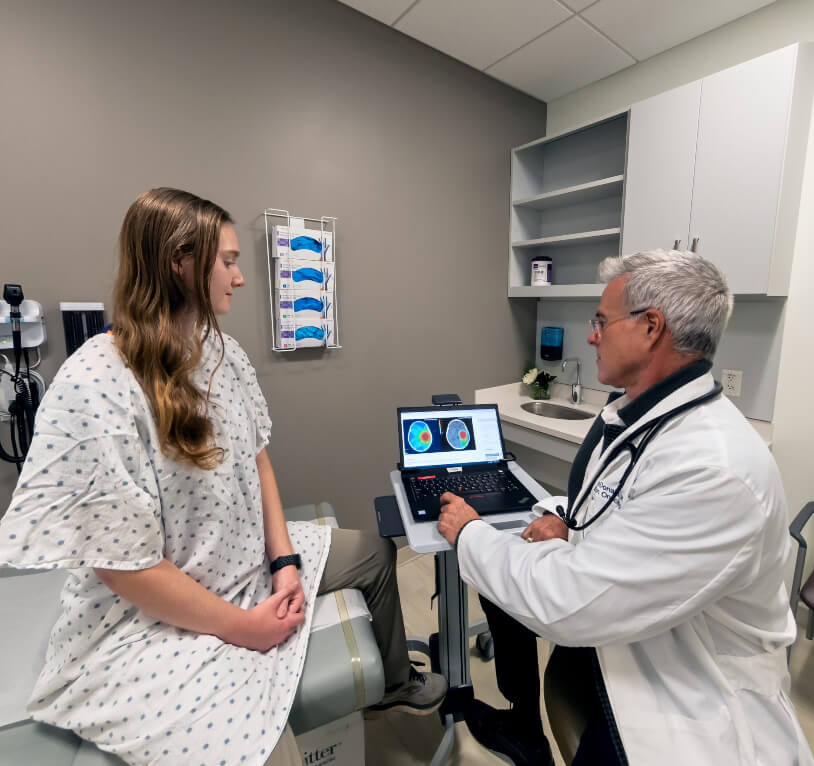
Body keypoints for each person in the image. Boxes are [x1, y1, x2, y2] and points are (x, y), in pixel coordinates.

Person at [0, 188, 445, 766]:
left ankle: (392, 687)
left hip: (244, 559)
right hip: (149, 614)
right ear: (181, 261)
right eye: (229, 261)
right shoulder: (96, 381)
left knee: (374, 554)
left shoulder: (222, 352)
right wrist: (243, 628)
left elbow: (258, 457)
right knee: (260, 748)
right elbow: (119, 564)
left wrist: (283, 559)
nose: (238, 278)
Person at [438, 249, 813, 766]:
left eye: (600, 321)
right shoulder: (643, 415)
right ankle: (524, 722)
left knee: (507, 570)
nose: (592, 335)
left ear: (650, 328)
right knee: (508, 585)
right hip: (637, 634)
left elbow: (568, 601)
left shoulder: (717, 470)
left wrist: (470, 532)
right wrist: (568, 526)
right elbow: (624, 503)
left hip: (690, 700)